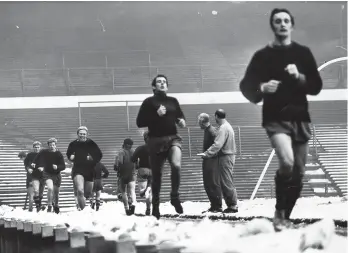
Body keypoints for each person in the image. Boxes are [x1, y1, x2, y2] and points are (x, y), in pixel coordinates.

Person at [239, 8, 323, 231]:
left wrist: (299, 76)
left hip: (300, 117)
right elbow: (246, 86)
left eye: (286, 20)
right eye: (278, 21)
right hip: (275, 117)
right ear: (272, 26)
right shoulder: (262, 56)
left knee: (300, 172)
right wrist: (261, 87)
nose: (282, 24)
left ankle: (285, 215)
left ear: (292, 25)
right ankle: (279, 210)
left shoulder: (303, 53)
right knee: (287, 163)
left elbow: (316, 86)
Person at [136, 74, 186, 219]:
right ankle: (155, 207)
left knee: (176, 165)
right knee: (157, 176)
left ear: (167, 86)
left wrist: (181, 121)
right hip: (156, 140)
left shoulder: (173, 101)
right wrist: (156, 115)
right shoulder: (148, 102)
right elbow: (140, 122)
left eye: (164, 82)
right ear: (153, 86)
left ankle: (175, 196)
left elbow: (180, 117)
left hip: (172, 138)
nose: (162, 84)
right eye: (159, 82)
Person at [197, 109, 238, 214]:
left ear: (216, 116)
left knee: (226, 181)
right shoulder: (227, 126)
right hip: (228, 155)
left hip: (225, 156)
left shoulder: (223, 128)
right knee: (226, 181)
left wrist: (207, 153)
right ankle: (232, 205)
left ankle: (233, 206)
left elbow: (217, 144)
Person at [67, 126, 103, 210]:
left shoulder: (91, 143)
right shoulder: (73, 144)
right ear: (77, 134)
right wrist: (70, 157)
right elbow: (69, 154)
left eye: (84, 134)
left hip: (89, 170)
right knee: (80, 190)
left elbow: (99, 155)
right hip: (78, 169)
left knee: (87, 193)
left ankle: (83, 202)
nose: (82, 135)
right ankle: (83, 211)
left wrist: (91, 158)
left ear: (87, 134)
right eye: (80, 134)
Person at [197, 113, 222, 213]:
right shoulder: (207, 130)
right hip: (207, 161)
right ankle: (213, 206)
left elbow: (218, 146)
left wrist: (207, 154)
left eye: (199, 121)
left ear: (202, 122)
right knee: (208, 183)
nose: (198, 124)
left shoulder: (212, 131)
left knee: (213, 183)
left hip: (213, 162)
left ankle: (218, 206)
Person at [33, 138, 66, 213]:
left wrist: (57, 167)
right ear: (48, 146)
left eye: (53, 145)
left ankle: (56, 205)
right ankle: (49, 205)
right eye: (50, 145)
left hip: (57, 175)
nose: (52, 146)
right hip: (47, 174)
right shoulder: (44, 152)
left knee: (56, 193)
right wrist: (34, 162)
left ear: (55, 146)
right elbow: (38, 156)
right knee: (50, 188)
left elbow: (63, 166)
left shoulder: (58, 154)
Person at [131, 131, 152, 216]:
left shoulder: (140, 148)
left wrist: (137, 163)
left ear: (144, 138)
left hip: (142, 170)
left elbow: (133, 159)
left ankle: (144, 190)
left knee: (142, 191)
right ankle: (148, 209)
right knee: (151, 193)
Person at [114, 138, 137, 215]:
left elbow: (120, 162)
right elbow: (137, 163)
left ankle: (127, 209)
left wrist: (117, 168)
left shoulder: (121, 152)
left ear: (124, 144)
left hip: (123, 174)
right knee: (132, 191)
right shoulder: (133, 151)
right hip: (132, 174)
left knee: (123, 192)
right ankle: (133, 204)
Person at [23, 141, 46, 212]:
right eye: (35, 147)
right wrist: (28, 169)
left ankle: (39, 206)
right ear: (33, 148)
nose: (37, 148)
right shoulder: (30, 155)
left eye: (38, 147)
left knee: (41, 195)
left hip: (42, 177)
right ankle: (36, 208)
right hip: (33, 176)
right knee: (35, 193)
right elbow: (26, 164)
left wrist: (43, 168)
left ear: (40, 147)